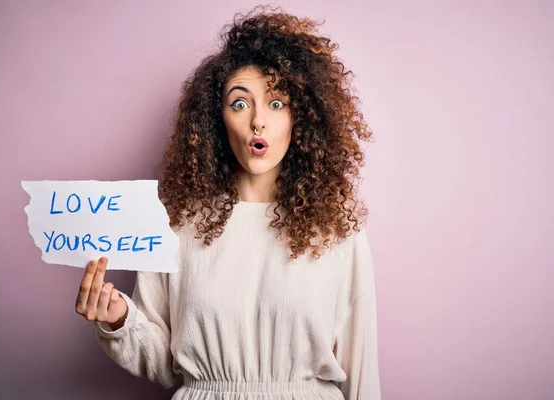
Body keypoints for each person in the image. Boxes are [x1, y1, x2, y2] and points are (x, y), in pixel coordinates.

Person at [75, 5, 381, 399]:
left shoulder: (337, 229)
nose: (258, 120)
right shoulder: (177, 224)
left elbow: (361, 372)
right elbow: (162, 362)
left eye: (276, 103)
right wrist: (118, 319)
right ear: (216, 119)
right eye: (240, 103)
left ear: (301, 117)